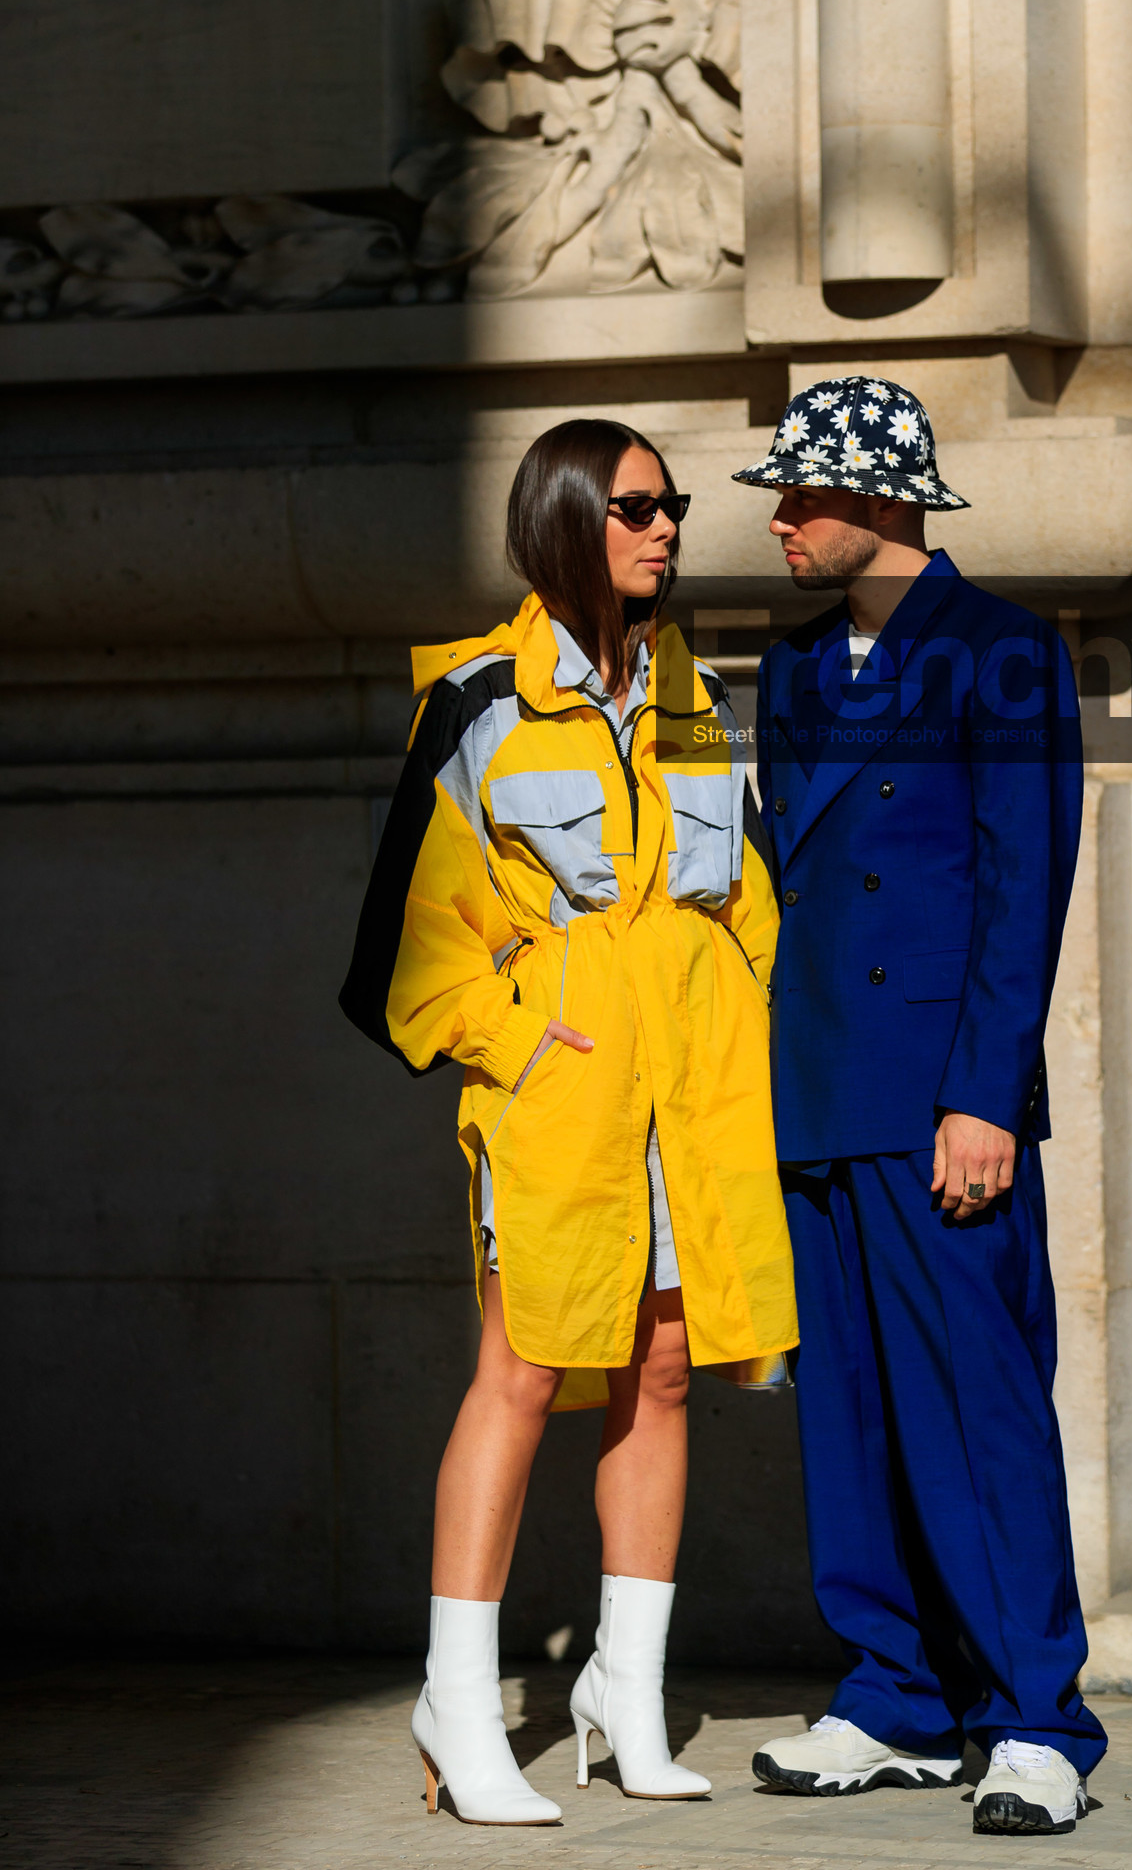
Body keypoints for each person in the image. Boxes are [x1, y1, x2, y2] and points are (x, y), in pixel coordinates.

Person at [340, 419, 795, 1826]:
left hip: (688, 1099)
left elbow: (747, 901)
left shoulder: (695, 694)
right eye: (639, 507)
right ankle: (458, 1702)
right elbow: (405, 958)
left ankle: (625, 1694)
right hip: (560, 1100)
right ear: (565, 521)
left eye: (674, 506)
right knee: (523, 1375)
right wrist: (527, 1037)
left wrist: (729, 1023)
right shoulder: (477, 703)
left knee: (660, 1375)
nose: (667, 529)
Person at [733, 376, 1107, 1836]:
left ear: (885, 504)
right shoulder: (796, 664)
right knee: (851, 1407)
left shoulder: (1005, 651)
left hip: (939, 1101)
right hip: (818, 1087)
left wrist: (986, 1100)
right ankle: (895, 1693)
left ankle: (1035, 1717)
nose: (780, 520)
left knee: (981, 1402)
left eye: (806, 496)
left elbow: (1025, 896)